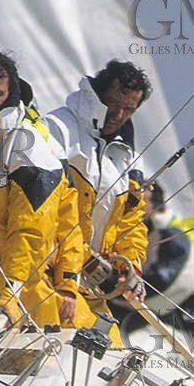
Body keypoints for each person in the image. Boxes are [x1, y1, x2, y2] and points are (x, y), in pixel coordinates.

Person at [0, 47, 81, 327]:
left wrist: (15, 289)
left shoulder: (30, 147)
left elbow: (31, 230)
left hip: (24, 277)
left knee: (65, 333)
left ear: (10, 94)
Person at [45, 60, 151, 325]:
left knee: (111, 349)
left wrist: (129, 267)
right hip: (46, 271)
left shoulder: (129, 157)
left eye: (129, 109)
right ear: (97, 95)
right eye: (113, 104)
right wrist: (79, 261)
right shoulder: (57, 128)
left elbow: (132, 222)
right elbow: (45, 211)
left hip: (92, 285)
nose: (118, 115)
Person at [117, 180, 194, 350]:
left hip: (182, 328)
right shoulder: (136, 230)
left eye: (141, 200)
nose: (133, 204)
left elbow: (158, 285)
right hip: (142, 318)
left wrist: (108, 286)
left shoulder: (173, 237)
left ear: (158, 208)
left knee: (137, 350)